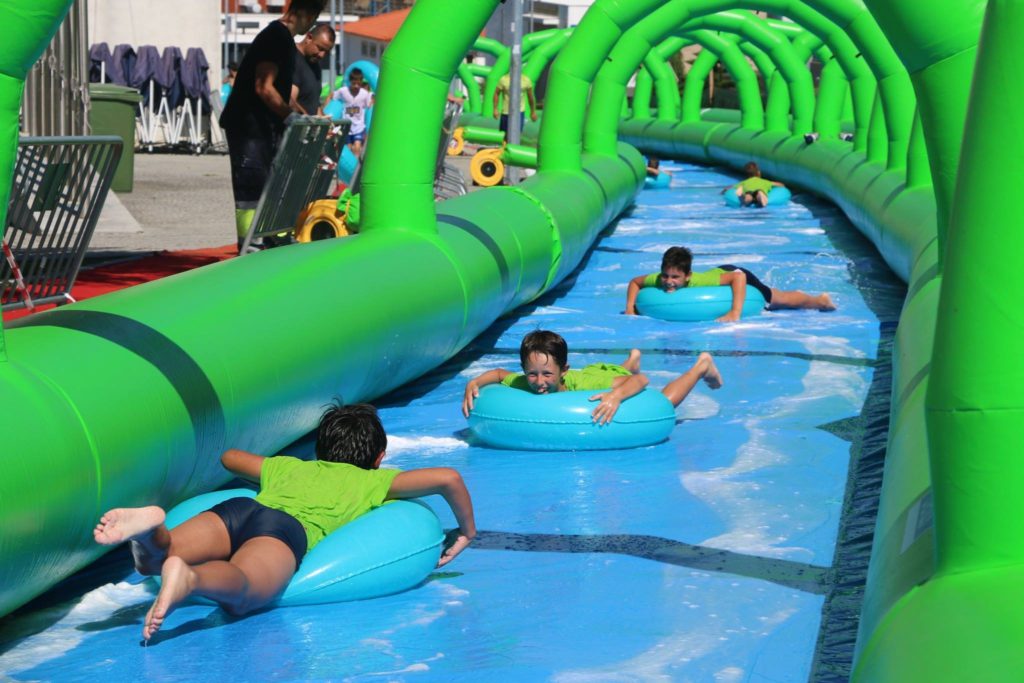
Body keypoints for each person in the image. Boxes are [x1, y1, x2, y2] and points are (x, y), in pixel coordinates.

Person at [94, 403, 476, 642]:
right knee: (245, 591)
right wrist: (466, 532)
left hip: (239, 509)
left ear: (320, 450)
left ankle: (154, 533)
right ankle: (190, 578)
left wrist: (274, 470)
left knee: (154, 561)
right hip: (283, 531)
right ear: (378, 458)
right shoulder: (374, 481)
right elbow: (448, 478)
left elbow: (229, 457)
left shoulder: (288, 468)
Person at [218, 0, 323, 253]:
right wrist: (290, 117)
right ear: (306, 13)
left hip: (262, 128)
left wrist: (299, 116)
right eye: (314, 18)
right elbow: (264, 87)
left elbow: (279, 91)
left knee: (267, 185)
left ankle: (263, 239)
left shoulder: (283, 40)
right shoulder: (276, 37)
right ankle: (249, 246)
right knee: (251, 191)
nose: (312, 24)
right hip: (249, 128)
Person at [461, 330, 722, 425]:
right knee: (617, 373)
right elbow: (498, 374)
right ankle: (630, 360)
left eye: (547, 374)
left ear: (564, 371)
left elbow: (641, 381)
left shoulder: (584, 385)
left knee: (663, 403)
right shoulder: (524, 381)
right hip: (600, 372)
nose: (539, 382)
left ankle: (701, 366)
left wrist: (616, 397)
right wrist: (475, 382)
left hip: (603, 377)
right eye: (532, 374)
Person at [625, 246, 836, 322]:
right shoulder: (658, 278)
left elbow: (738, 277)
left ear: (687, 276)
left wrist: (734, 312)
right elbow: (635, 282)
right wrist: (630, 308)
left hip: (734, 273)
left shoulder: (702, 282)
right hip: (722, 273)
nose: (669, 282)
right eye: (666, 276)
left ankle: (819, 300)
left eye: (675, 277)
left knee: (775, 300)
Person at [291, 23, 336, 116]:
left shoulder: (315, 65)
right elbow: (290, 102)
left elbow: (314, 105)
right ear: (309, 37)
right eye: (320, 48)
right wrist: (310, 121)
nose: (322, 55)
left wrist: (325, 122)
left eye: (326, 52)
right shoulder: (292, 58)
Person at [332, 68, 373, 157]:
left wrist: (373, 100)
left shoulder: (364, 94)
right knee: (349, 148)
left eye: (358, 84)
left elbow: (369, 105)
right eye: (354, 83)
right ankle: (352, 164)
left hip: (359, 127)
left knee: (357, 147)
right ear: (350, 81)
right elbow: (332, 96)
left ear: (361, 82)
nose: (356, 86)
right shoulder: (343, 91)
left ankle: (355, 164)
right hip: (346, 127)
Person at [492, 71, 538, 137]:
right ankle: (505, 143)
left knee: (517, 134)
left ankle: (514, 143)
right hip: (506, 112)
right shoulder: (504, 79)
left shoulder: (526, 80)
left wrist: (533, 112)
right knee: (506, 135)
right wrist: (495, 109)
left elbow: (530, 97)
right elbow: (496, 93)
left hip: (519, 112)